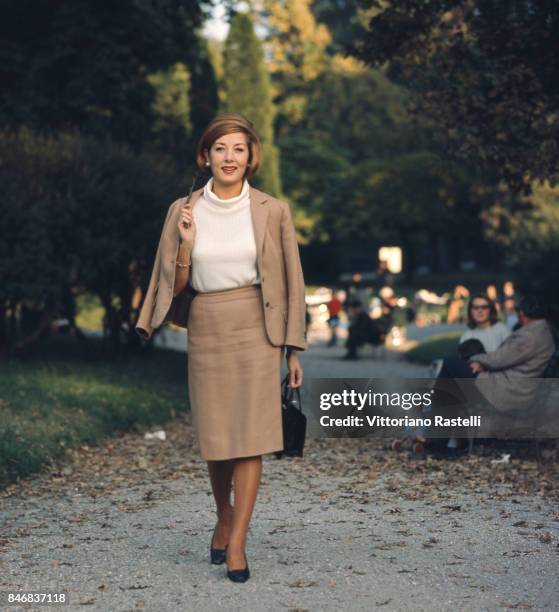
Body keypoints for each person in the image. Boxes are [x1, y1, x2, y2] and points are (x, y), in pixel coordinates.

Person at [135, 113, 307, 583]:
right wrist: (186, 244)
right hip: (208, 322)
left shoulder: (274, 209)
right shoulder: (183, 210)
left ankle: (238, 541)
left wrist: (293, 350)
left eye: (238, 149)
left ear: (251, 157)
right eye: (220, 149)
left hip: (257, 324)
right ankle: (223, 514)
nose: (229, 157)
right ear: (205, 155)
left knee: (250, 436)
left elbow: (292, 280)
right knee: (216, 437)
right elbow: (175, 285)